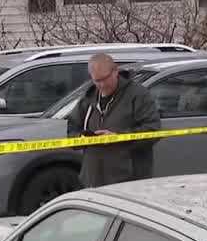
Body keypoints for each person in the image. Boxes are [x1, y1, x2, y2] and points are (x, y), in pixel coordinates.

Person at [65, 53, 162, 188]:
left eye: (105, 78)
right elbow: (72, 129)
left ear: (115, 71)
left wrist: (119, 138)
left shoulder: (138, 95)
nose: (102, 84)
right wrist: (80, 138)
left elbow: (153, 130)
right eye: (97, 80)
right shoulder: (89, 98)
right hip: (93, 180)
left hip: (129, 181)